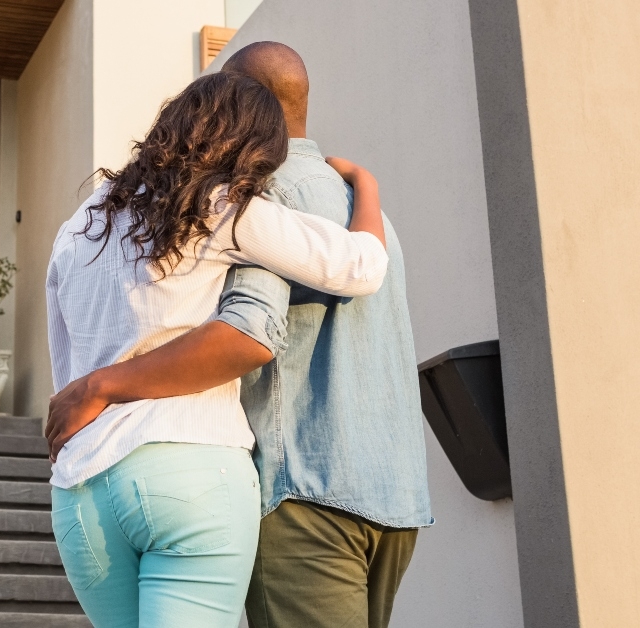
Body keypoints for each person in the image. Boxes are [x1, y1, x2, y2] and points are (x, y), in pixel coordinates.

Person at [47, 42, 432, 628]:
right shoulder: (265, 205)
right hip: (366, 491)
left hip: (92, 486)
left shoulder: (84, 222)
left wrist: (96, 390)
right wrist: (368, 183)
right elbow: (342, 278)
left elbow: (66, 360)